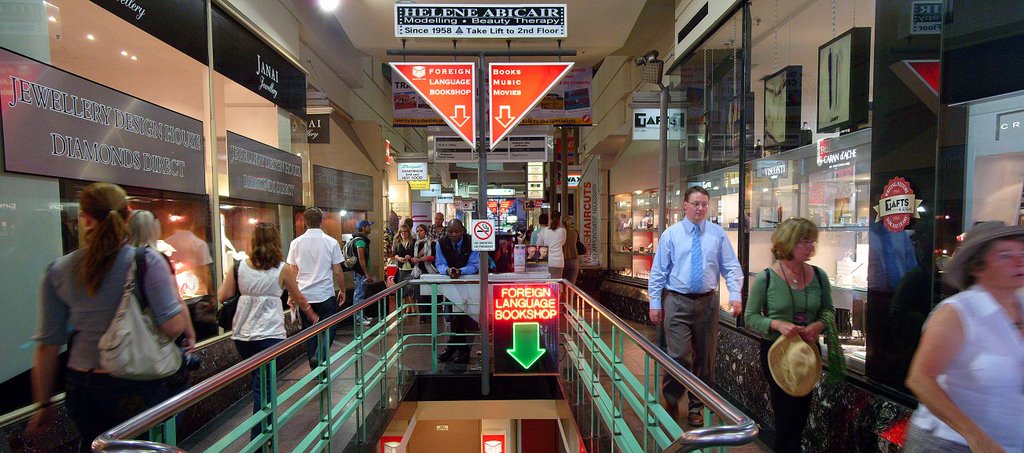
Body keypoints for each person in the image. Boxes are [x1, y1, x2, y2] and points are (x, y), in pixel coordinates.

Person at [27, 183, 191, 452]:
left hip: (82, 386)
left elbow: (47, 345)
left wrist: (43, 404)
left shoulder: (58, 270)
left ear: (85, 218)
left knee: (96, 443)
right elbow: (173, 326)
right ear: (128, 215)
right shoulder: (146, 260)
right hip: (135, 382)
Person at [903, 221, 1024, 453]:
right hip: (951, 444)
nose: (1019, 261)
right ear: (977, 267)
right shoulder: (958, 312)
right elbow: (919, 379)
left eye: (1022, 253)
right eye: (1005, 255)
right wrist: (975, 436)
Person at [648, 186, 743, 427]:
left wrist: (735, 294)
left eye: (704, 204)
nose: (701, 208)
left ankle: (696, 406)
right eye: (696, 204)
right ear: (685, 206)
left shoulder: (717, 234)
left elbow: (730, 266)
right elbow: (659, 271)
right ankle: (671, 399)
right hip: (677, 301)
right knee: (678, 355)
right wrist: (655, 302)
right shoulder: (671, 235)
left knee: (705, 359)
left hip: (707, 303)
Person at [743, 218, 835, 453]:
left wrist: (818, 325)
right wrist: (776, 324)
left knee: (802, 412)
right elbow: (750, 316)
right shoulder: (767, 278)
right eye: (805, 242)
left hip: (807, 353)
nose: (811, 247)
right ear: (790, 242)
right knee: (787, 415)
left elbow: (828, 311)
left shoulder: (819, 275)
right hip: (778, 353)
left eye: (812, 242)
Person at [219, 222, 318, 438]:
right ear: (275, 242)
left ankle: (264, 432)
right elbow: (298, 297)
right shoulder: (282, 269)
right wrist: (311, 314)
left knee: (260, 382)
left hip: (243, 336)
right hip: (270, 335)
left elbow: (222, 296)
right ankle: (261, 436)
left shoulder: (238, 266)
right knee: (263, 387)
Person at [287, 207, 347, 370]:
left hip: (304, 295)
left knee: (309, 332)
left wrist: (292, 295)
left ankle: (315, 367)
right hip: (325, 294)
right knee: (330, 326)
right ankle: (320, 355)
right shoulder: (331, 242)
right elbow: (337, 271)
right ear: (321, 221)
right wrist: (342, 290)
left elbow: (293, 271)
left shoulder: (295, 243)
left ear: (305, 223)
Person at [434, 219, 480, 364]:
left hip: (469, 283)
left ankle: (455, 349)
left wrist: (461, 271)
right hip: (450, 284)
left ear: (463, 231)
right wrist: (448, 271)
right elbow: (440, 263)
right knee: (454, 316)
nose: (453, 235)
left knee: (460, 315)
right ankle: (459, 350)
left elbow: (474, 265)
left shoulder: (473, 242)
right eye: (450, 232)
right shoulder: (440, 243)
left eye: (456, 232)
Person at [164, 211, 213, 295]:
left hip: (172, 291)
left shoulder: (166, 242)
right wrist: (211, 293)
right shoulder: (199, 244)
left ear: (175, 225)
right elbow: (205, 271)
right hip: (195, 289)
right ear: (192, 224)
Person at [351, 219, 376, 326]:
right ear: (364, 227)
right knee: (359, 295)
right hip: (360, 272)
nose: (370, 228)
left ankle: (362, 315)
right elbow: (361, 258)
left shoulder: (361, 240)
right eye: (369, 226)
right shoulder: (360, 241)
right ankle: (358, 318)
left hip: (360, 272)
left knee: (361, 294)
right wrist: (366, 274)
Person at [412, 224, 437, 323]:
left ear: (425, 232)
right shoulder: (415, 244)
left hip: (429, 270)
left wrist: (427, 258)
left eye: (421, 230)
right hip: (418, 271)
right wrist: (414, 259)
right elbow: (411, 257)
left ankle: (430, 315)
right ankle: (422, 316)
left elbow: (435, 257)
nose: (419, 233)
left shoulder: (432, 243)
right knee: (420, 295)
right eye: (417, 231)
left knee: (429, 294)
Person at [535, 211, 567, 278]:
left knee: (547, 283)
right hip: (558, 261)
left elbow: (538, 244)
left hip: (547, 260)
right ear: (559, 220)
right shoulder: (563, 231)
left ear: (550, 219)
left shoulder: (544, 230)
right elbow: (563, 243)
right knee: (557, 283)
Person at [392, 224, 416, 312]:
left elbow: (415, 254)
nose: (404, 234)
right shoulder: (397, 243)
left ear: (408, 233)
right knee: (403, 289)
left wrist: (410, 256)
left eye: (405, 232)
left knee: (411, 289)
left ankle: (412, 306)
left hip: (411, 268)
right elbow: (394, 254)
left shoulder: (413, 242)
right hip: (402, 268)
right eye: (402, 232)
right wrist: (399, 258)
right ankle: (406, 307)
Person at [562, 216, 581, 284]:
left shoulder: (561, 234)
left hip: (563, 258)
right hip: (574, 259)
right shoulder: (575, 233)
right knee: (572, 285)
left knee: (562, 284)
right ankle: (571, 294)